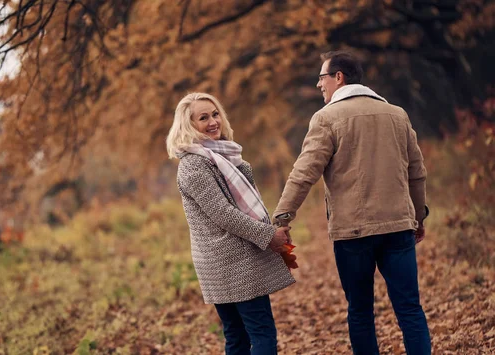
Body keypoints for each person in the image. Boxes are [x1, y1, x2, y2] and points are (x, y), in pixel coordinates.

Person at [272, 51, 431, 355]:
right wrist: (418, 216)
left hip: (353, 233)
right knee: (410, 309)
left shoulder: (327, 118)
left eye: (322, 78)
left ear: (339, 77)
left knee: (360, 311)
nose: (320, 85)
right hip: (398, 227)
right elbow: (417, 172)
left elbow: (305, 172)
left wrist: (282, 217)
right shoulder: (397, 114)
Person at [167, 92, 296, 355]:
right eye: (203, 118)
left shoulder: (221, 156)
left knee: (237, 336)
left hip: (229, 260)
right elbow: (223, 214)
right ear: (188, 125)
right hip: (230, 262)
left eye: (215, 114)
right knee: (259, 332)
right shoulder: (194, 165)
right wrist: (268, 235)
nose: (213, 121)